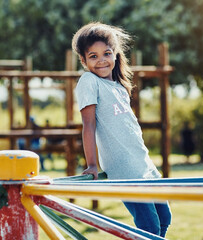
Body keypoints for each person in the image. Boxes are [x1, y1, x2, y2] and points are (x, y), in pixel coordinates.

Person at [72, 22, 171, 237]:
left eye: (106, 53)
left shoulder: (119, 87)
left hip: (142, 162)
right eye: (93, 56)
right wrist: (92, 164)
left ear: (115, 54)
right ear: (83, 60)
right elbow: (88, 125)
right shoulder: (89, 81)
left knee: (165, 218)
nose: (101, 61)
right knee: (149, 226)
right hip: (125, 168)